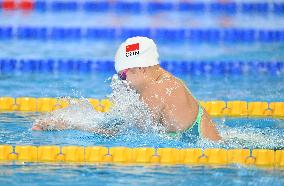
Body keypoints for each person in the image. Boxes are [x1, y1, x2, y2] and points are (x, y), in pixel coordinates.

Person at [32, 36, 221, 142]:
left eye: (123, 75)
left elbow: (121, 135)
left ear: (140, 68)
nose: (121, 82)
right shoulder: (168, 82)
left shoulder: (157, 91)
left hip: (205, 161)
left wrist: (71, 124)